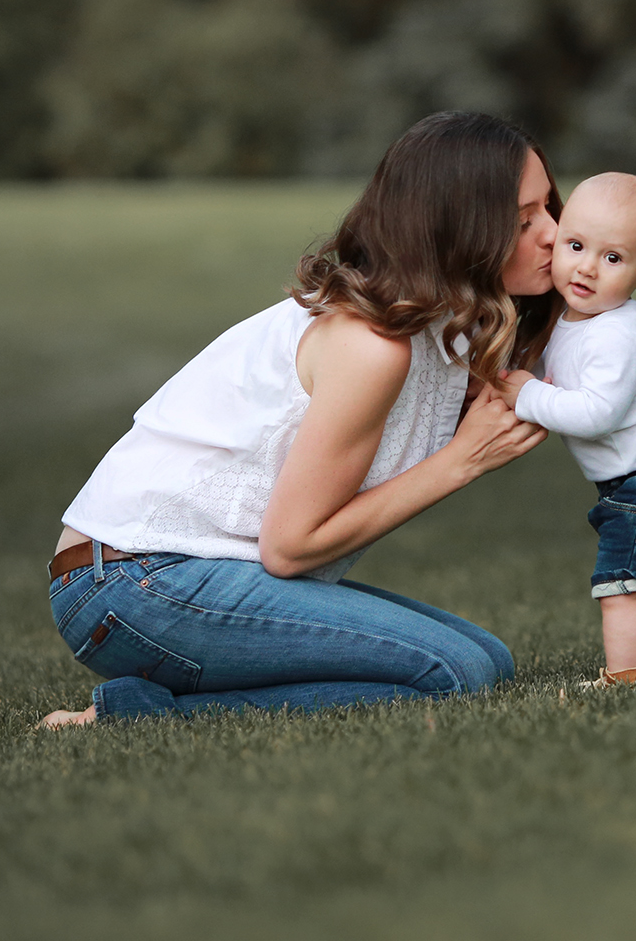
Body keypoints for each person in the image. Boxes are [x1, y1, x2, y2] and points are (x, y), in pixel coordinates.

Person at [39, 111, 560, 727]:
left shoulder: (438, 331)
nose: (554, 233)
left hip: (178, 574)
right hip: (134, 582)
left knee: (489, 662)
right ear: (458, 229)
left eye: (550, 208)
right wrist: (463, 460)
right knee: (453, 672)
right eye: (526, 221)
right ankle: (135, 715)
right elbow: (292, 548)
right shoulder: (371, 344)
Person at [493, 173, 636, 686]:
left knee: (621, 589)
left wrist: (529, 396)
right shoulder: (575, 321)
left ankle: (629, 679)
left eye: (614, 258)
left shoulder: (616, 332)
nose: (588, 268)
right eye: (576, 246)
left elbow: (598, 413)